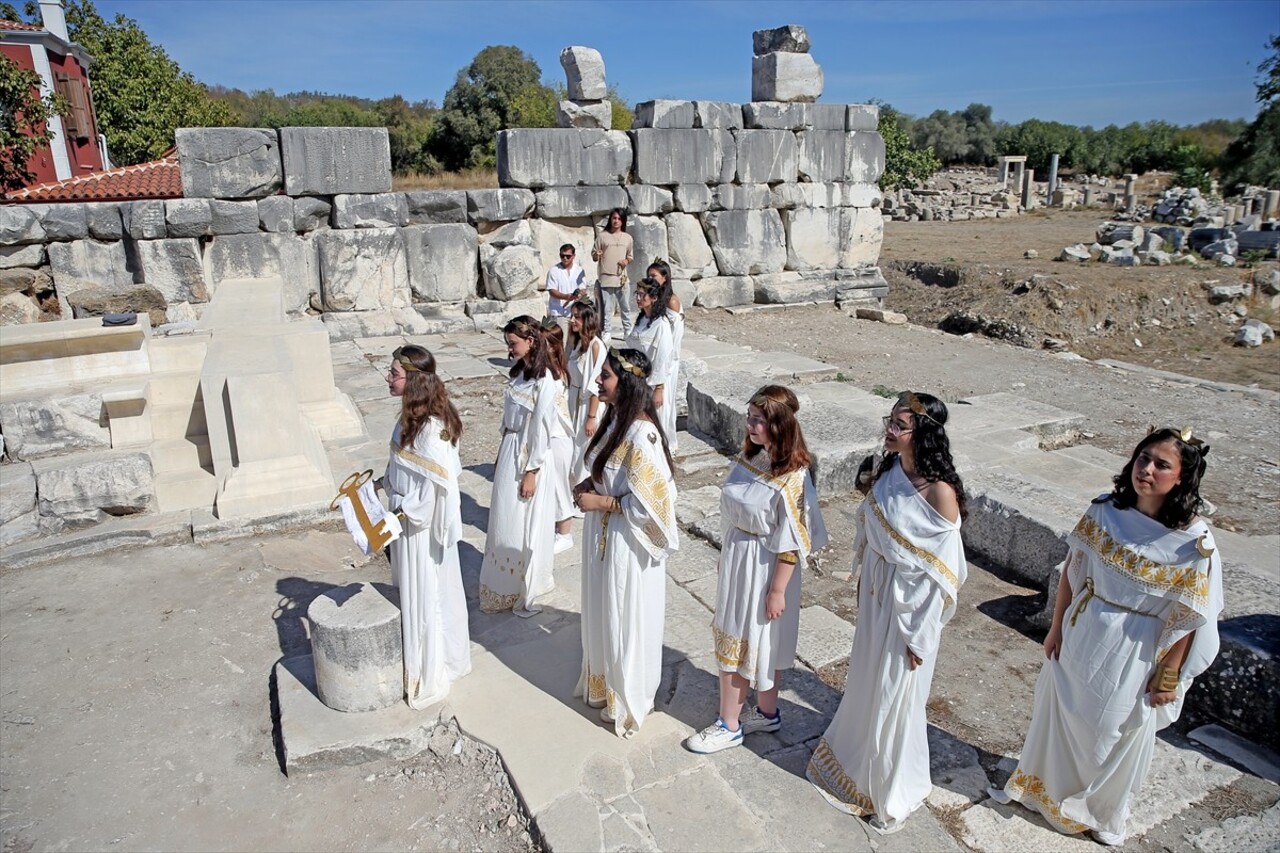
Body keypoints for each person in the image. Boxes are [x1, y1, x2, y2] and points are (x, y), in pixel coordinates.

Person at [991, 427, 1222, 846]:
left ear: (1182, 477)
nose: (1146, 470)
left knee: (1113, 730)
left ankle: (1098, 810)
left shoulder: (1194, 543)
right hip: (1085, 627)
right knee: (1063, 716)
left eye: (1161, 465)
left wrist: (1168, 675)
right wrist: (1056, 628)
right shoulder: (1104, 512)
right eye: (1142, 458)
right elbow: (1072, 574)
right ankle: (1045, 791)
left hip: (1137, 645)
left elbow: (1190, 616)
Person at [807, 391, 967, 835]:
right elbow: (872, 528)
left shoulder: (940, 493)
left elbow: (943, 574)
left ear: (924, 433)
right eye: (890, 420)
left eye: (901, 424)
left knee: (898, 693)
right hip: (878, 596)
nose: (890, 429)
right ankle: (858, 770)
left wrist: (920, 635)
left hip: (910, 611)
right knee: (868, 681)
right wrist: (863, 579)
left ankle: (891, 788)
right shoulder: (890, 468)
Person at [685, 385, 828, 753]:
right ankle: (766, 713)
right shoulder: (752, 458)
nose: (750, 425)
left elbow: (795, 538)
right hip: (739, 556)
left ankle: (729, 725)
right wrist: (726, 552)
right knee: (748, 637)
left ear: (779, 425)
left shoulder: (794, 476)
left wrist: (777, 589)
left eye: (758, 420)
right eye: (749, 417)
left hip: (765, 567)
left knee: (751, 639)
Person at [572, 347, 678, 738]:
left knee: (623, 613)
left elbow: (657, 505)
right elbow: (607, 470)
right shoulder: (615, 419)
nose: (598, 381)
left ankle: (627, 693)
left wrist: (601, 501)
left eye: (605, 376)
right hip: (603, 536)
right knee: (603, 610)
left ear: (626, 382)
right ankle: (603, 681)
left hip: (627, 544)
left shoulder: (642, 433)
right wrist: (591, 484)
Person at [380, 345, 471, 707]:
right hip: (403, 521)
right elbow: (398, 469)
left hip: (418, 529)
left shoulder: (433, 431)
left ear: (414, 381)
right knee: (413, 590)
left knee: (427, 594)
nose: (389, 378)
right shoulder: (407, 419)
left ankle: (432, 668)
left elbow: (437, 491)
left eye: (394, 374)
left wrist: (399, 515)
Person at [478, 316, 559, 616]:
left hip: (528, 457)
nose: (510, 350)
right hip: (511, 448)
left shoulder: (545, 381)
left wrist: (532, 471)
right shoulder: (519, 374)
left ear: (531, 341)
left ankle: (520, 582)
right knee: (503, 515)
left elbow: (541, 428)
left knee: (520, 519)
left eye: (513, 344)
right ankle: (501, 584)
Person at [540, 316, 578, 555]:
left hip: (558, 435)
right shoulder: (548, 369)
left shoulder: (555, 372)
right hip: (550, 434)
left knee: (559, 485)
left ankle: (565, 533)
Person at [624, 277, 676, 455]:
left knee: (652, 425)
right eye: (636, 294)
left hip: (653, 384)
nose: (638, 298)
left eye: (642, 294)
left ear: (653, 298)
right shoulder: (641, 321)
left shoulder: (661, 325)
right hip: (637, 381)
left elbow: (663, 357)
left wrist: (659, 388)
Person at [567, 296, 607, 484]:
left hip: (588, 405)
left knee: (584, 448)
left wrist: (591, 418)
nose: (572, 320)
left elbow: (596, 385)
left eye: (577, 317)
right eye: (571, 316)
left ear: (587, 319)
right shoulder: (576, 343)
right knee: (572, 447)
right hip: (573, 401)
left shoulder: (596, 346)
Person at [646, 258, 682, 453]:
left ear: (665, 278)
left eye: (654, 276)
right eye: (648, 275)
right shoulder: (655, 299)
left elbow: (674, 336)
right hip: (655, 359)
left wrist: (666, 365)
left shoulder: (672, 301)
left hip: (668, 361)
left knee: (664, 402)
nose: (650, 278)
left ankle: (667, 442)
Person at [591, 208, 634, 340]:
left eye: (619, 219)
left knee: (625, 307)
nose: (616, 221)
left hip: (621, 278)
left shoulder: (628, 238)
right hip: (606, 277)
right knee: (607, 308)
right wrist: (596, 255)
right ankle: (607, 331)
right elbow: (593, 255)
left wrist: (626, 261)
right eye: (614, 218)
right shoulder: (602, 236)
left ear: (623, 221)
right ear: (610, 219)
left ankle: (628, 331)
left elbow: (631, 256)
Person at [546, 243, 587, 339]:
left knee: (575, 343)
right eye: (562, 256)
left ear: (573, 256)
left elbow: (583, 289)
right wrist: (566, 296)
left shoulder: (579, 270)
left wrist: (579, 295)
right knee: (562, 342)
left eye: (568, 256)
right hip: (559, 313)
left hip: (575, 314)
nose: (565, 258)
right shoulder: (554, 270)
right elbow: (552, 291)